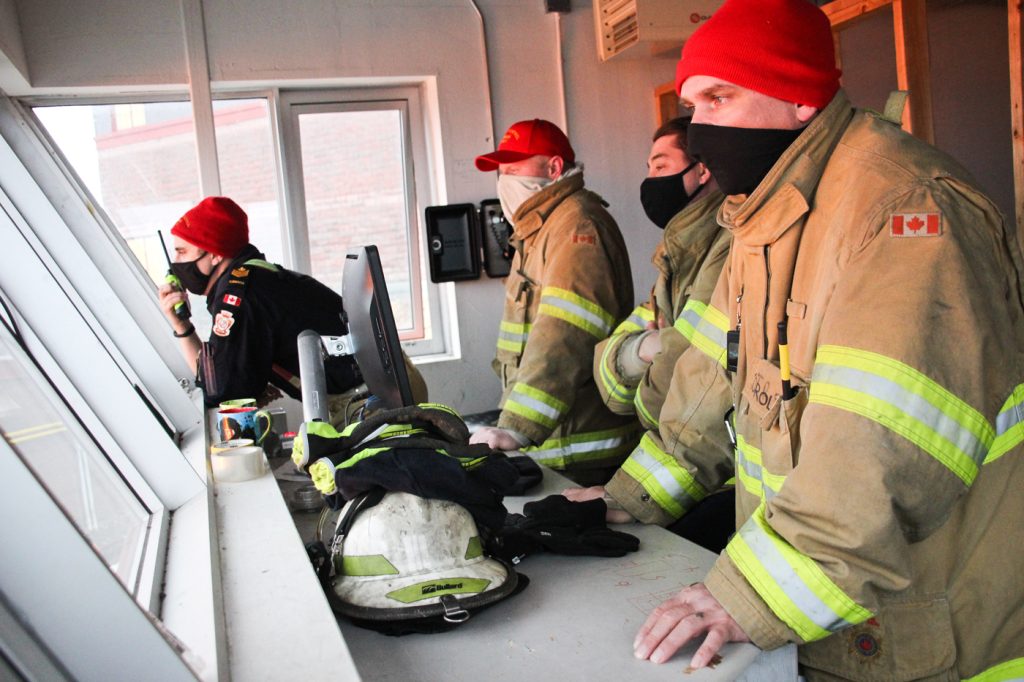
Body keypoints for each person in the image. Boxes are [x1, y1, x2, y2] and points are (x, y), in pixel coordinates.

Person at [620, 1, 1024, 679]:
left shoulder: (905, 208)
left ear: (800, 98)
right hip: (829, 614)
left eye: (722, 96)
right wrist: (624, 502)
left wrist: (748, 598)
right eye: (694, 106)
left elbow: (881, 445)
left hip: (932, 628)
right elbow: (709, 389)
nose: (703, 129)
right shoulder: (764, 215)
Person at [565, 118, 735, 552]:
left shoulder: (730, 247)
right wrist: (652, 345)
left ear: (701, 170)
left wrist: (644, 354)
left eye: (661, 165)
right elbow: (610, 378)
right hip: (674, 465)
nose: (649, 180)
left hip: (721, 483)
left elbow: (674, 390)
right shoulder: (676, 258)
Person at [469, 119, 638, 485]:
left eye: (515, 167)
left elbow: (565, 335)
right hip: (549, 441)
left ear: (554, 167)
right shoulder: (538, 231)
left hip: (581, 451)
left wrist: (516, 427)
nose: (504, 178)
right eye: (501, 170)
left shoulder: (577, 225)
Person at [158, 196, 427, 418]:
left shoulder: (240, 295)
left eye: (182, 252)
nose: (176, 262)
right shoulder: (254, 277)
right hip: (387, 387)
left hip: (372, 404)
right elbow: (221, 376)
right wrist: (184, 327)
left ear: (215, 254)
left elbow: (222, 392)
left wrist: (183, 329)